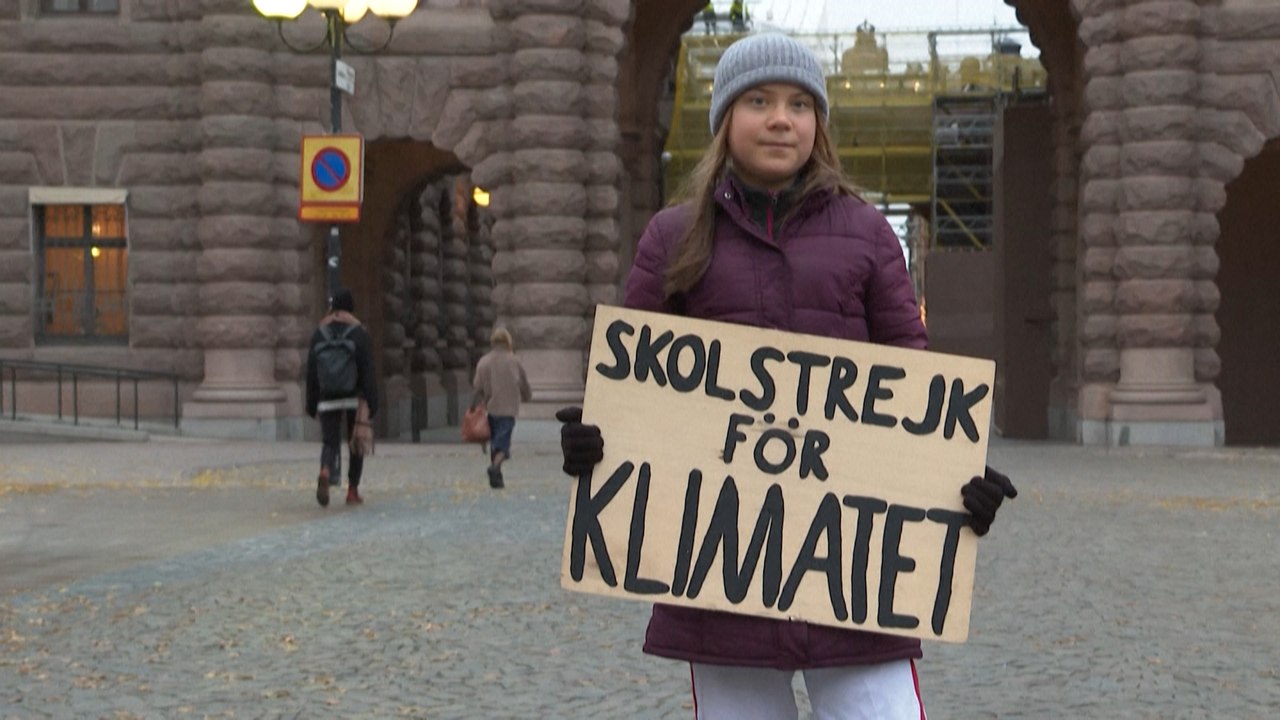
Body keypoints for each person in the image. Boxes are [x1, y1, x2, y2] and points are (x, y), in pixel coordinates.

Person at [556, 33, 1018, 719]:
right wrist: (599, 442)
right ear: (724, 119)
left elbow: (910, 374)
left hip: (856, 582)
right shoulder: (671, 237)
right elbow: (637, 389)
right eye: (760, 100)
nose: (781, 118)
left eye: (801, 104)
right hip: (719, 581)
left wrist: (957, 478)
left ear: (818, 124)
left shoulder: (867, 234)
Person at [305, 289, 378, 508]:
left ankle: (325, 470)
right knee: (357, 444)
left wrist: (312, 402)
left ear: (333, 307)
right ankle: (352, 491)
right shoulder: (359, 333)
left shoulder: (319, 333)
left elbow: (311, 372)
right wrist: (372, 401)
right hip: (354, 398)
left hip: (327, 397)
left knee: (330, 441)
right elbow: (367, 370)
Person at [471, 327, 532, 489]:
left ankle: (497, 478)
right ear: (507, 341)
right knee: (503, 446)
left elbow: (477, 386)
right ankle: (494, 468)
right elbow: (523, 383)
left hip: (490, 408)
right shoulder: (514, 360)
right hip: (508, 408)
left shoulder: (484, 361)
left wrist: (474, 405)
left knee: (495, 442)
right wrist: (527, 396)